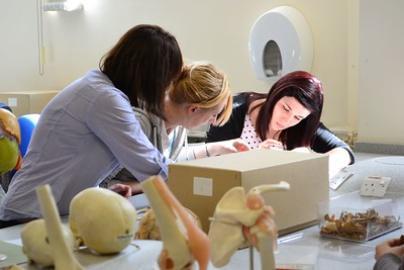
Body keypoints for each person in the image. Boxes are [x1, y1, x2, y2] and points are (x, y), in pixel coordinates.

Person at [0, 24, 183, 228]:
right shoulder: (104, 98)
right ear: (151, 76)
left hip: (48, 213)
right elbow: (151, 167)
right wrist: (198, 178)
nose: (165, 89)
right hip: (28, 216)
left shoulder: (98, 87)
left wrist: (99, 192)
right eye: (166, 81)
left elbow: (75, 159)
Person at [103, 62, 248, 192]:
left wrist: (219, 148)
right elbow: (102, 183)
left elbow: (171, 160)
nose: (213, 121)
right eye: (213, 114)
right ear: (194, 109)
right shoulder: (139, 125)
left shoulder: (178, 124)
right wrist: (150, 184)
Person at [206, 70, 355, 178]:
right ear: (275, 95)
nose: (287, 120)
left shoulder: (303, 123)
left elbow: (344, 151)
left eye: (297, 117)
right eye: (285, 108)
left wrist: (308, 164)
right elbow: (212, 165)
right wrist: (256, 158)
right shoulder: (233, 112)